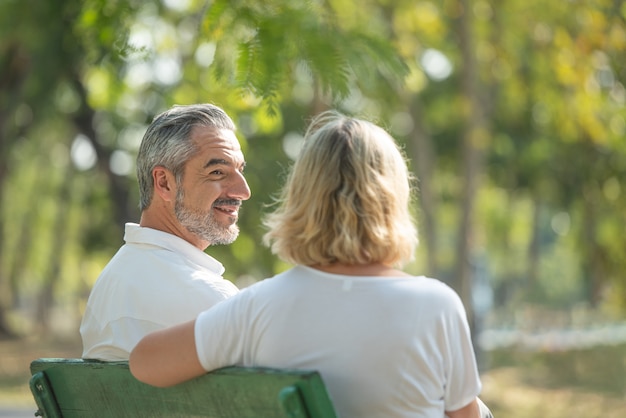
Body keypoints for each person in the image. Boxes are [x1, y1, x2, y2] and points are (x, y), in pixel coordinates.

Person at [129, 111, 491, 418]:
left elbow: (144, 362)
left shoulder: (258, 307)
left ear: (302, 196)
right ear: (392, 199)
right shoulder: (436, 305)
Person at [80, 103, 251, 360]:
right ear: (164, 182)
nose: (243, 191)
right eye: (218, 172)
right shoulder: (216, 303)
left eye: (240, 170)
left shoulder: (108, 285)